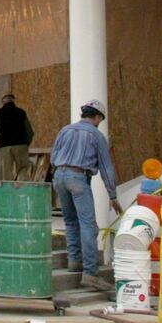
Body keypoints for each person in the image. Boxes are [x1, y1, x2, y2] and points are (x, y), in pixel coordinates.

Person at [50, 99, 120, 287]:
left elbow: (53, 157)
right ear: (96, 117)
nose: (99, 123)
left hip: (59, 176)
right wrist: (112, 196)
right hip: (78, 178)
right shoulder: (96, 135)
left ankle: (75, 261)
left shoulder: (65, 130)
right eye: (100, 119)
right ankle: (90, 272)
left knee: (70, 221)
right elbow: (106, 168)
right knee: (88, 225)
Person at [0, 93, 34, 181]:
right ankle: (24, 190)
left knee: (6, 171)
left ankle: (9, 191)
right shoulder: (21, 112)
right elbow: (30, 132)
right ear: (13, 100)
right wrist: (26, 144)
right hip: (21, 144)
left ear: (3, 102)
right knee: (22, 169)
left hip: (5, 146)